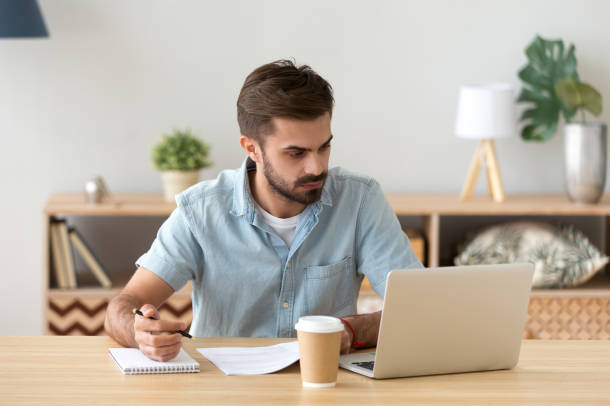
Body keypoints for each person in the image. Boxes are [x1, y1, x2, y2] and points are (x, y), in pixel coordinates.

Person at [104, 59, 422, 361]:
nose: (316, 166)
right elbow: (123, 306)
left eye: (323, 147)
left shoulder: (359, 201)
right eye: (295, 153)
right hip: (224, 391)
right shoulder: (201, 212)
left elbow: (419, 307)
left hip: (324, 388)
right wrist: (139, 331)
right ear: (252, 148)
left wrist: (350, 331)